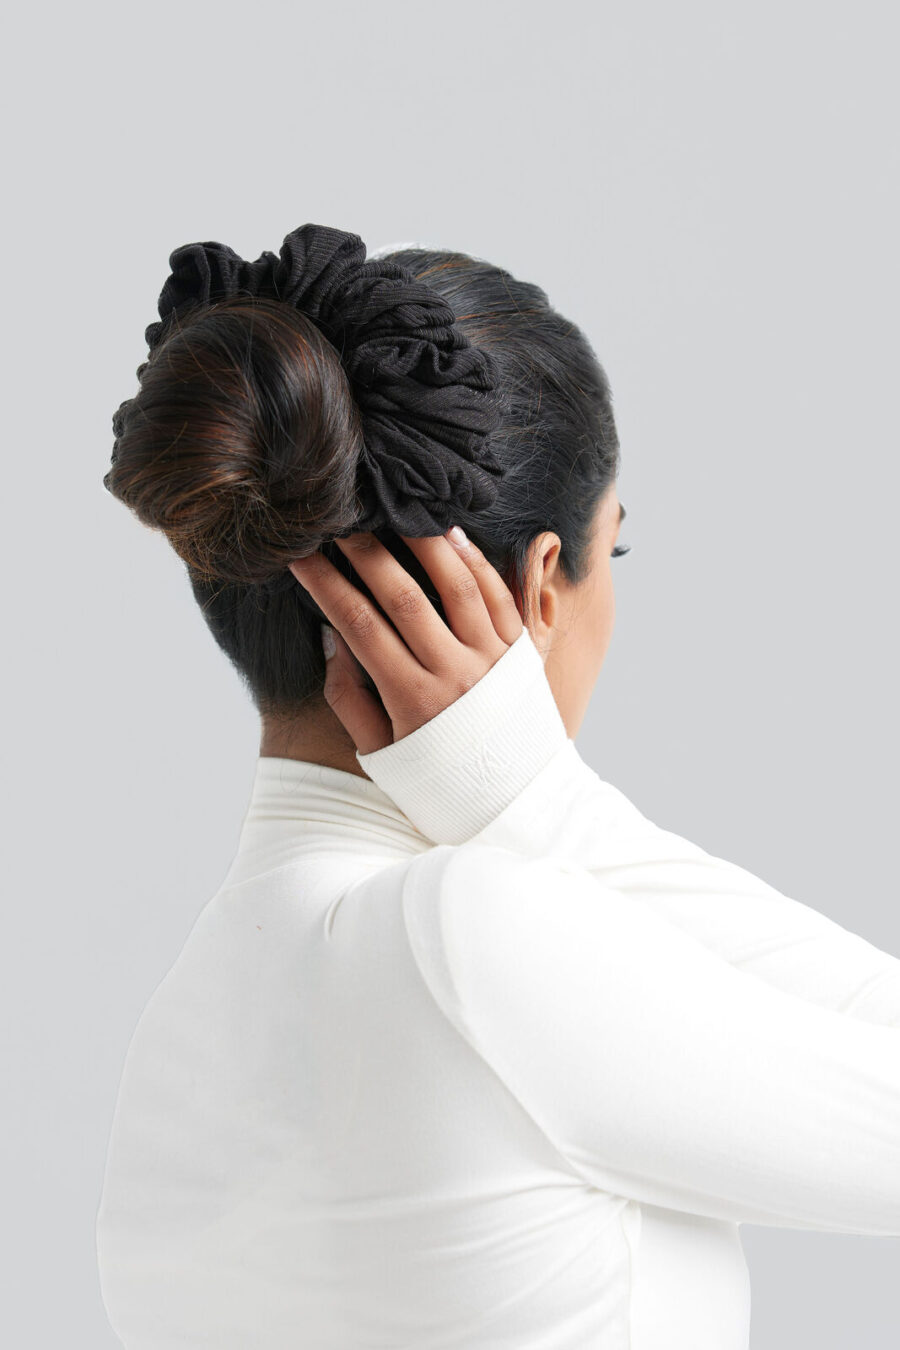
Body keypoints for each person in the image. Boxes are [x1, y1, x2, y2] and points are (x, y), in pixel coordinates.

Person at [96, 224, 900, 1350]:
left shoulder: (182, 1031)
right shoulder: (473, 938)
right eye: (612, 551)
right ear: (540, 586)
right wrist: (531, 801)